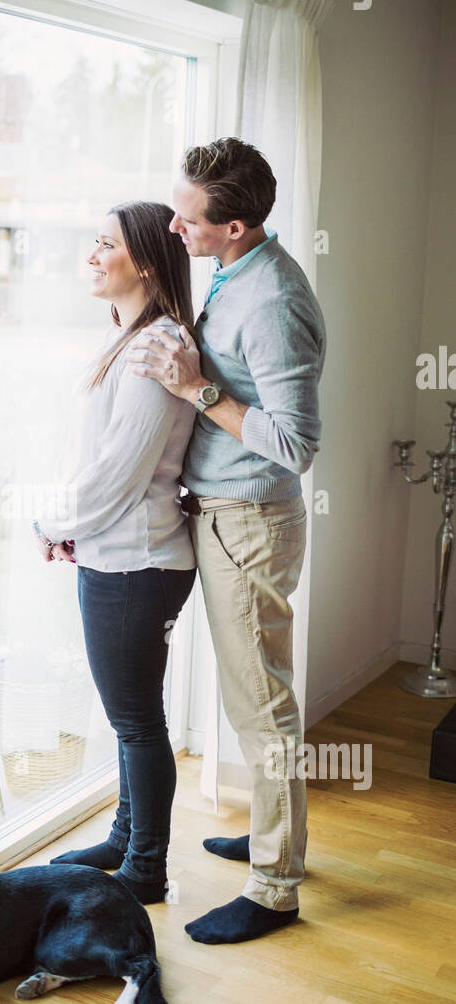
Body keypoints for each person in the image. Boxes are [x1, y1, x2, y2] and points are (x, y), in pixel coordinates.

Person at [126, 137, 326, 944]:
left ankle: (276, 885)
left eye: (189, 217)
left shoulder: (272, 300)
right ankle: (280, 838)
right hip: (222, 513)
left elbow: (295, 442)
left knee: (262, 706)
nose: (175, 226)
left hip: (251, 523)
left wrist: (195, 388)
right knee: (253, 696)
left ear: (236, 226)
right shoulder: (235, 274)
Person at [33, 201, 198, 905]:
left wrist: (49, 519)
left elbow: (119, 473)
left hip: (139, 563)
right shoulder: (134, 339)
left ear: (149, 264)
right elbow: (106, 464)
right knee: (135, 714)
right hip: (125, 553)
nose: (93, 256)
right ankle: (126, 838)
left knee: (136, 720)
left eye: (106, 245)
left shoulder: (151, 350)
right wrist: (78, 526)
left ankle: (146, 870)